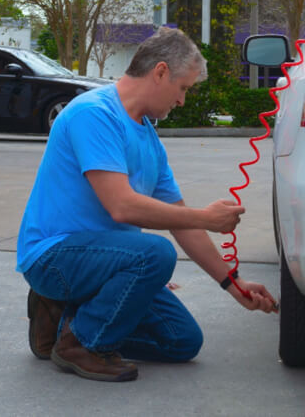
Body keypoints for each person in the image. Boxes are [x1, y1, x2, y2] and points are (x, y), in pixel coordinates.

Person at [15, 27, 277, 382]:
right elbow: (121, 207)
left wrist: (233, 283)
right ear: (160, 72)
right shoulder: (94, 115)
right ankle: (78, 344)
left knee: (182, 341)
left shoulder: (149, 139)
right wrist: (207, 217)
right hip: (54, 257)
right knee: (154, 253)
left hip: (106, 261)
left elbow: (181, 222)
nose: (183, 100)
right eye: (183, 87)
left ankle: (61, 319)